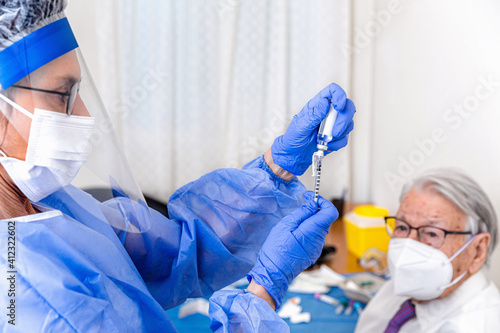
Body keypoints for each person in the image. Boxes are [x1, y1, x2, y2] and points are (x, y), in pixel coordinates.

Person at [0, 1, 356, 332]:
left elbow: (177, 254)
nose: (84, 116)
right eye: (64, 95)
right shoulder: (25, 292)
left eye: (80, 94)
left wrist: (276, 169)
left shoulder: (51, 204)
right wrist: (261, 293)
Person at [355, 169, 500, 333]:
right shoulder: (410, 287)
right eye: (402, 227)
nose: (407, 247)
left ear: (477, 251)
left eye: (432, 233)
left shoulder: (470, 326)